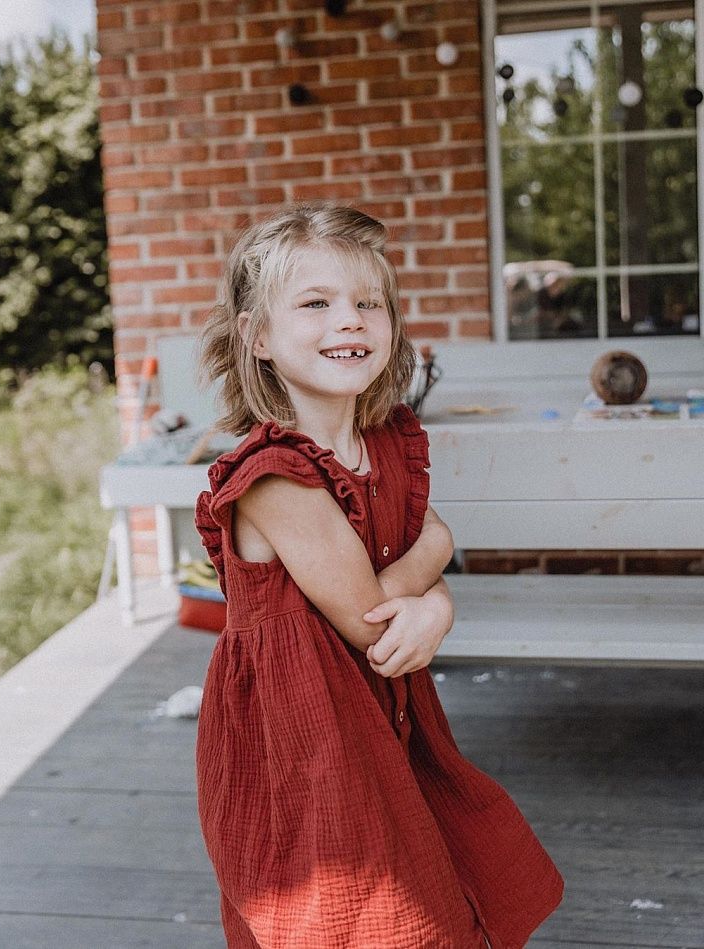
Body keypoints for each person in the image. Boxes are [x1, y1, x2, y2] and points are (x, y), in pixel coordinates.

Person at [194, 202, 564, 949]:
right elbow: (371, 616)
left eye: (368, 302)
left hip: (381, 710)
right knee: (355, 911)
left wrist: (436, 607)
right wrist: (439, 552)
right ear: (257, 337)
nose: (349, 320)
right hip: (302, 738)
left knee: (437, 874)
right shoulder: (275, 477)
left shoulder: (385, 445)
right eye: (316, 303)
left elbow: (402, 581)